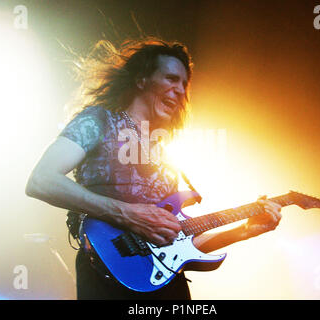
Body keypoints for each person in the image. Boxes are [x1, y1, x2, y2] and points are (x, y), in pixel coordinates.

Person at [25, 38, 282, 300]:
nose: (180, 90)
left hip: (166, 284)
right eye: (171, 78)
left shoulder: (165, 153)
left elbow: (178, 243)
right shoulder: (98, 120)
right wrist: (127, 214)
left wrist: (244, 231)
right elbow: (41, 180)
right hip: (107, 274)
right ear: (141, 80)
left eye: (184, 84)